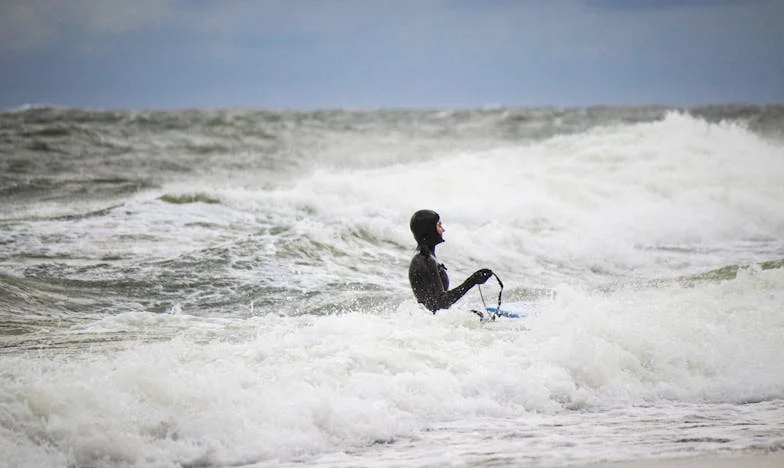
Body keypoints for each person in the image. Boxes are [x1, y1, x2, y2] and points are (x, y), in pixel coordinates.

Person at [408, 209, 493, 313]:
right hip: (432, 322)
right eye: (439, 226)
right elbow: (440, 303)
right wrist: (472, 281)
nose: (443, 230)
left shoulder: (428, 256)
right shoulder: (425, 259)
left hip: (434, 319)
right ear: (429, 230)